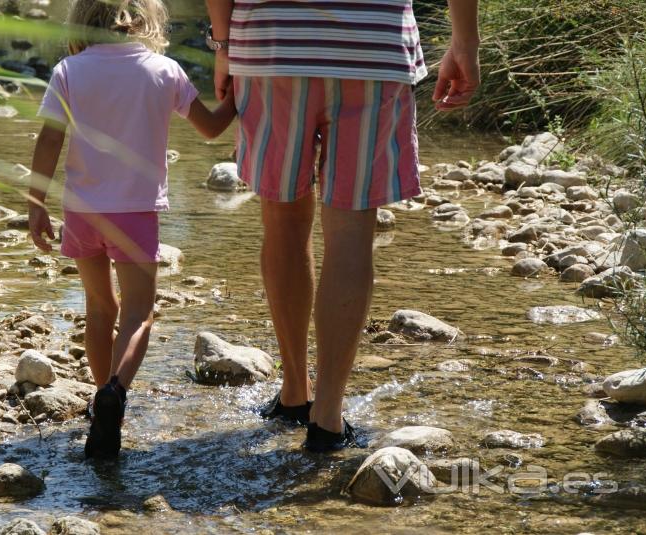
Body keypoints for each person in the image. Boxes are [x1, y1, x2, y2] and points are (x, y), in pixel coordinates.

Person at [204, 0, 480, 452]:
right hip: (374, 47)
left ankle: (295, 390)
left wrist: (223, 44)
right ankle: (328, 415)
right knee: (351, 234)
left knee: (282, 221)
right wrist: (464, 40)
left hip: (273, 44)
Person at [28, 0, 236, 459]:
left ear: (82, 20)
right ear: (145, 20)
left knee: (100, 309)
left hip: (82, 211)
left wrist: (35, 203)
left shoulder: (69, 70)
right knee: (139, 313)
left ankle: (102, 397)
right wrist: (239, 91)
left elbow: (49, 138)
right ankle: (116, 393)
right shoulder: (163, 70)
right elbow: (211, 129)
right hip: (135, 214)